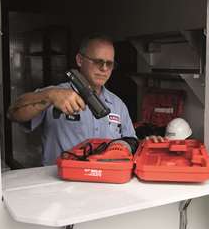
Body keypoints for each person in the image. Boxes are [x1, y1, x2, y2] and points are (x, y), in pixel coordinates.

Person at [7, 34, 136, 166]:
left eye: (109, 64)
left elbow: (131, 142)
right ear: (80, 60)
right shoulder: (54, 94)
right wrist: (49, 96)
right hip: (61, 181)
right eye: (98, 62)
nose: (104, 69)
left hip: (105, 181)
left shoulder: (118, 105)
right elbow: (13, 113)